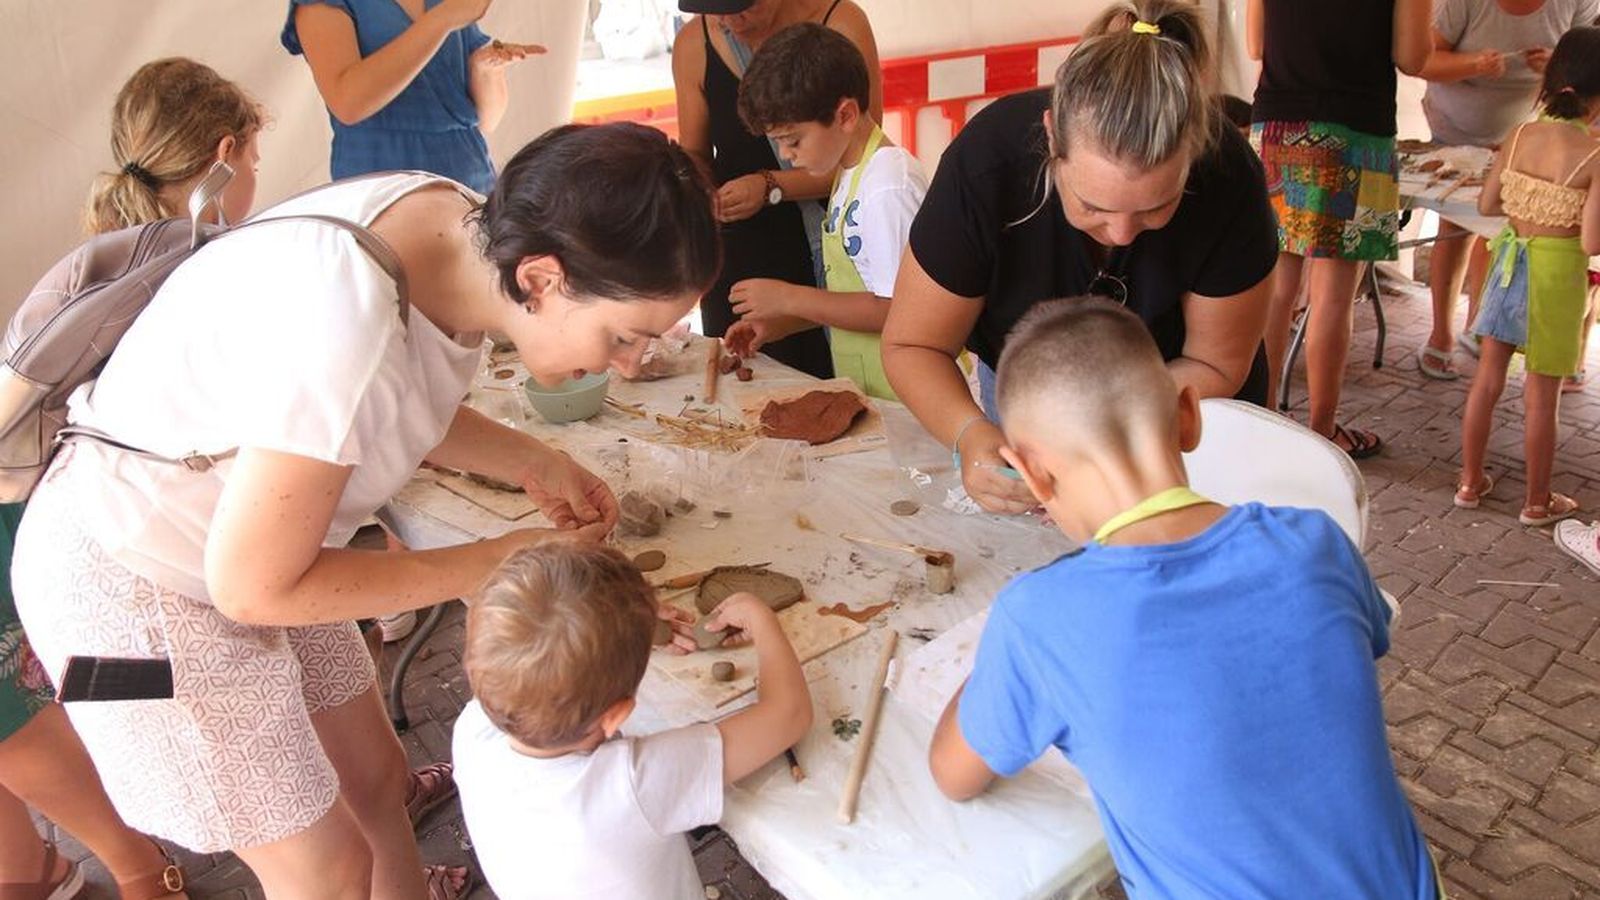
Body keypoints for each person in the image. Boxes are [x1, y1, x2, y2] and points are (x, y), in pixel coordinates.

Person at [13, 122, 718, 900]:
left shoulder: (455, 225)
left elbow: (377, 399)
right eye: (623, 337)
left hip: (259, 534)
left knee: (375, 778)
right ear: (543, 280)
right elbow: (253, 586)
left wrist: (532, 460)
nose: (631, 364)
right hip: (134, 581)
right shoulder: (346, 316)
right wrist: (494, 561)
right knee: (326, 870)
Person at [927, 297, 1441, 899]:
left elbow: (953, 774)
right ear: (1190, 416)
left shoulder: (1040, 618)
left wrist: (1003, 658)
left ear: (1031, 474)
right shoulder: (1315, 542)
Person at [882, 0, 1278, 516]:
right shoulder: (987, 165)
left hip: (1185, 405)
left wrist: (1100, 438)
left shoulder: (1229, 177)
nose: (1122, 233)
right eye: (1093, 206)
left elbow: (1214, 363)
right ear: (1051, 135)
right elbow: (914, 344)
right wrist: (970, 433)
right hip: (1032, 394)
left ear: (1194, 154)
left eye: (1156, 208)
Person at [453, 545, 811, 899]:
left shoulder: (472, 730)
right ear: (616, 716)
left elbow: (532, 658)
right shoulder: (632, 784)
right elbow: (789, 713)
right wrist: (761, 619)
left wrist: (620, 631)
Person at [1248, 0, 1433, 457]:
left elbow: (1255, 45)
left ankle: (1260, 421)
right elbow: (1414, 57)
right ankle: (1323, 432)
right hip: (1354, 131)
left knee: (1274, 287)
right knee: (1332, 296)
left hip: (1277, 126)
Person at [672, 0, 883, 379]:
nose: (729, 21)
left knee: (834, 378)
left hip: (826, 238)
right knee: (741, 376)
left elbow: (859, 151)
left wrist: (770, 185)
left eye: (742, 7)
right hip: (741, 247)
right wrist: (699, 193)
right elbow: (695, 154)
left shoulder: (842, 22)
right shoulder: (694, 42)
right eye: (715, 11)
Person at [722, 22, 927, 399]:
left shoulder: (887, 184)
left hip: (912, 397)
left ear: (845, 115)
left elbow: (897, 309)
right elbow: (857, 293)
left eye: (793, 140)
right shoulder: (848, 171)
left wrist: (789, 297)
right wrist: (782, 324)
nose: (786, 155)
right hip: (877, 387)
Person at [1454, 27, 1600, 526]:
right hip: (1557, 273)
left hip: (1508, 263)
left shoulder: (1518, 135)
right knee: (1542, 395)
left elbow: (1486, 204)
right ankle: (1537, 502)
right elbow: (1591, 242)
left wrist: (1528, 209)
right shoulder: (1593, 153)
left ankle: (1469, 482)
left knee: (1487, 379)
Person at [1415, 0, 1597, 380]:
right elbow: (1422, 60)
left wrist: (1553, 65)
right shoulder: (1466, 4)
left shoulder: (1578, 3)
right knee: (1456, 228)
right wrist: (1472, 64)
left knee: (1497, 234)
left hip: (1530, 139)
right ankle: (1446, 335)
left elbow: (1488, 207)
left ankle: (1481, 331)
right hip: (1461, 131)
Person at [283, 0, 544, 194]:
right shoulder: (322, 4)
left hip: (470, 185)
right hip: (381, 188)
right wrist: (441, 19)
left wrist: (485, 71)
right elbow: (348, 103)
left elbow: (486, 122)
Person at [84, 57, 264, 234]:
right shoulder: (244, 251)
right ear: (225, 155)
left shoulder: (105, 250)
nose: (255, 173)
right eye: (253, 166)